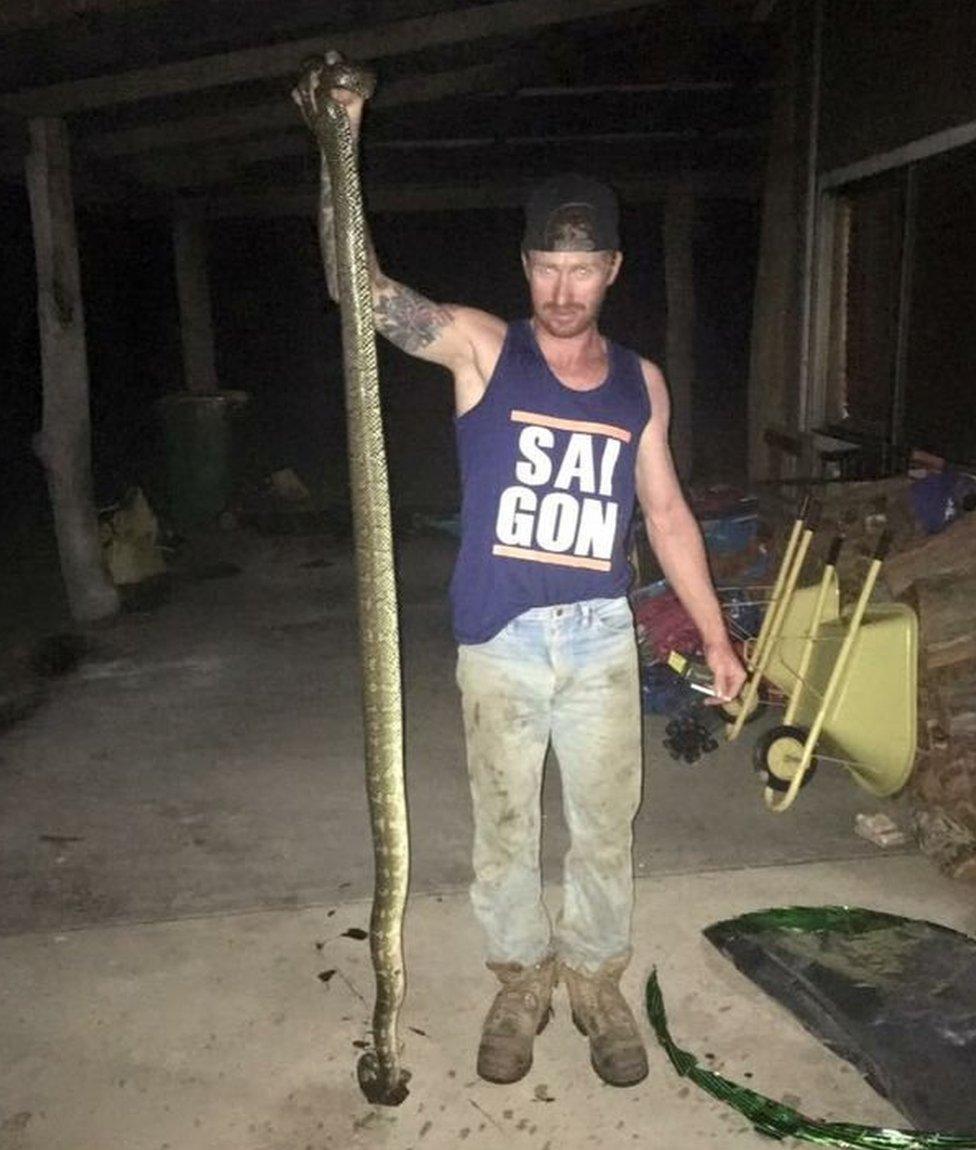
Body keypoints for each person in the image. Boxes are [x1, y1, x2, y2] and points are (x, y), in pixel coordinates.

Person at [315, 64, 746, 1090]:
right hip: (498, 640)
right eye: (547, 267)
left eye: (582, 267)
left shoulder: (640, 383)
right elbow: (357, 290)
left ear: (611, 270)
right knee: (504, 831)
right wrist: (339, 141)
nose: (563, 288)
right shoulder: (479, 348)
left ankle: (595, 979)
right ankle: (520, 980)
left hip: (600, 636)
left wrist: (717, 639)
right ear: (525, 268)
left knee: (604, 827)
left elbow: (669, 514)